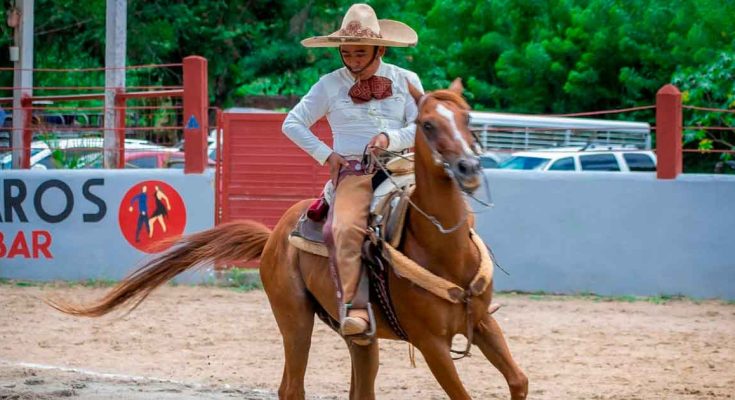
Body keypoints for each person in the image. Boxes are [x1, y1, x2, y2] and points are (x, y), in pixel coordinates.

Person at [282, 3, 423, 341]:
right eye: (347, 53)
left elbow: (423, 124)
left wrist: (391, 137)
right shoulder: (329, 85)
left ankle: (466, 289)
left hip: (406, 168)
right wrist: (326, 155)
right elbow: (292, 123)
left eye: (361, 53)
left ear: (381, 49)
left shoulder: (407, 80)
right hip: (357, 175)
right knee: (343, 227)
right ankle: (357, 307)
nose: (354, 60)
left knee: (450, 206)